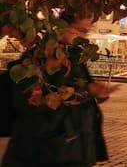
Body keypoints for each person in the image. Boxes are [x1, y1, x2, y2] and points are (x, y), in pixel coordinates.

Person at [3, 10, 115, 166]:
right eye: (80, 30)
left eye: (87, 31)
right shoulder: (36, 61)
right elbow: (27, 105)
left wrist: (96, 92)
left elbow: (82, 91)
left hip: (73, 150)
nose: (84, 36)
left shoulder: (75, 60)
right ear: (60, 28)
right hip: (44, 153)